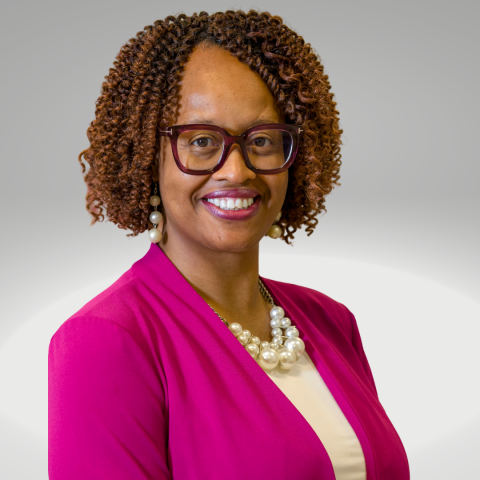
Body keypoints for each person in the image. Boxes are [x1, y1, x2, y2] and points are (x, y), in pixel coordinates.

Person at [48, 10, 409, 480]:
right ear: (146, 158)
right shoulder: (106, 342)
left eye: (262, 140)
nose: (237, 171)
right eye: (201, 140)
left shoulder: (331, 321)